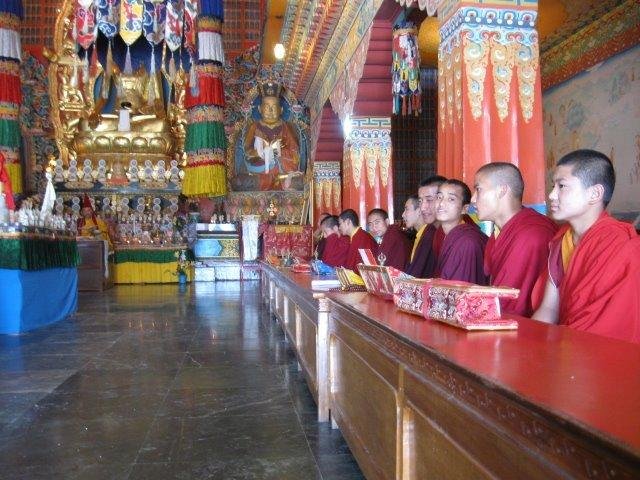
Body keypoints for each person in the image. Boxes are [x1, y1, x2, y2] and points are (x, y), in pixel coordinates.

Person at [532, 150, 639, 343]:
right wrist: (528, 343)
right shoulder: (562, 240)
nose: (552, 195)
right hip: (565, 342)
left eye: (562, 186)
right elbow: (549, 309)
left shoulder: (617, 243)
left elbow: (606, 328)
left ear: (595, 193)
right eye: (553, 186)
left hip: (601, 350)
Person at [472, 162, 558, 317]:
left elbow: (513, 303)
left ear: (502, 190)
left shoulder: (532, 235)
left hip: (524, 326)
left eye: (478, 190)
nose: (473, 199)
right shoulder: (501, 231)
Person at [241, 82, 302, 191]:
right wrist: (261, 153)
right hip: (260, 172)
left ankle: (280, 183)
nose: (270, 111)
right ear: (260, 109)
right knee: (241, 182)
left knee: (299, 182)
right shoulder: (254, 127)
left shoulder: (285, 127)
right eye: (267, 107)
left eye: (274, 107)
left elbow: (295, 151)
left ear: (281, 110)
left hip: (282, 172)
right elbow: (246, 151)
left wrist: (278, 153)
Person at [436, 179, 488, 284]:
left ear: (465, 209)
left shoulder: (467, 243)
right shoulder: (441, 235)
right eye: (439, 197)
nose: (441, 203)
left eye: (451, 199)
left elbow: (459, 288)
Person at [405, 176, 447, 278]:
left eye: (429, 200)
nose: (423, 208)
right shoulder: (430, 231)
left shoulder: (463, 237)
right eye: (420, 201)